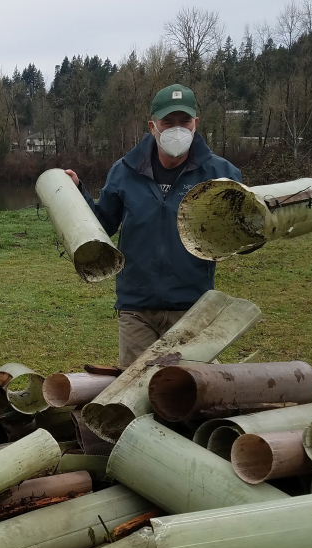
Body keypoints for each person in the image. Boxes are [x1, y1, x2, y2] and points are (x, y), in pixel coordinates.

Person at [65, 84, 242, 368]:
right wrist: (78, 193)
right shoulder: (124, 171)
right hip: (136, 308)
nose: (177, 129)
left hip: (193, 307)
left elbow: (238, 236)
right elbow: (103, 226)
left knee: (193, 393)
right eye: (167, 122)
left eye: (184, 121)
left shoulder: (221, 174)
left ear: (195, 123)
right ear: (152, 126)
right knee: (137, 394)